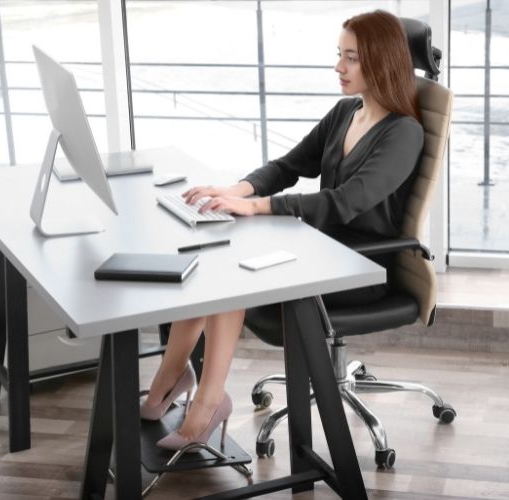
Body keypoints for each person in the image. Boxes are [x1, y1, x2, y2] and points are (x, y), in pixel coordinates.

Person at [142, 9, 424, 452]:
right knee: (209, 259)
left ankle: (208, 405)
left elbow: (344, 201)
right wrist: (236, 189)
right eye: (339, 55)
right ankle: (171, 379)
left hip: (360, 269)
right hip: (320, 249)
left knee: (228, 278)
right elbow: (289, 166)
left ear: (381, 61)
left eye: (351, 58)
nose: (338, 68)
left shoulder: (404, 133)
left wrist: (255, 207)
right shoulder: (346, 112)